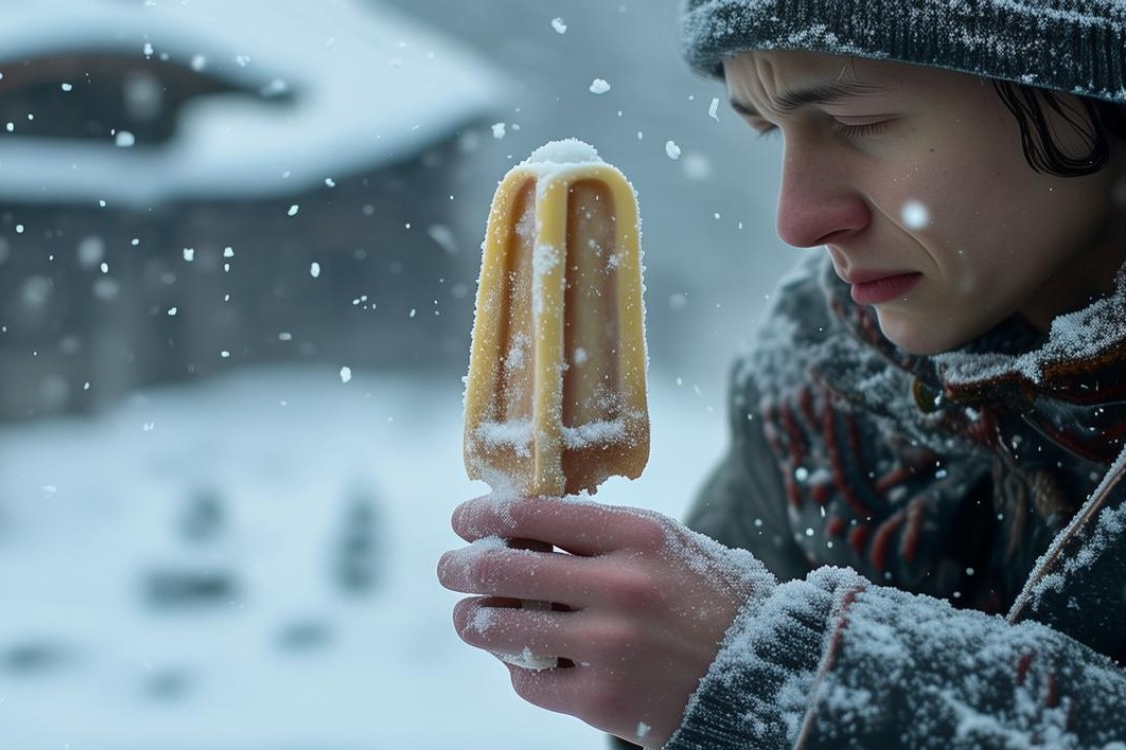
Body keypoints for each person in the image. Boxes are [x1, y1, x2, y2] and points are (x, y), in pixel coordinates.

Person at [437, 1, 1126, 748]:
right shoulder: (822, 365)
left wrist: (789, 680)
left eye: (861, 122)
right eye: (771, 131)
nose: (797, 219)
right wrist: (675, 683)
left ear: (1088, 88)